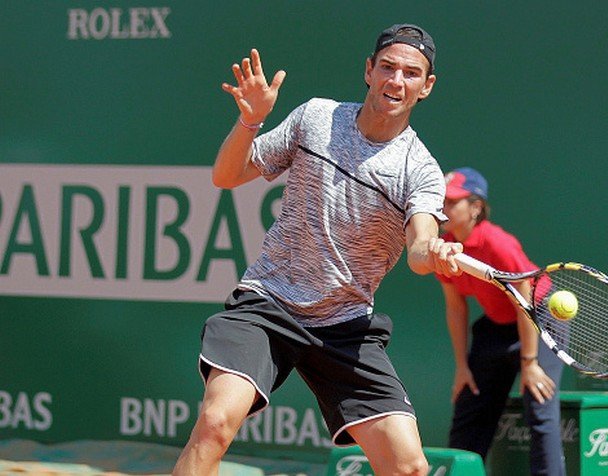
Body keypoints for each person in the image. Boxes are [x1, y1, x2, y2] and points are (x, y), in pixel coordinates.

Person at [173, 24, 464, 476]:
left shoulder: (421, 170)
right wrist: (250, 121)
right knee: (215, 422)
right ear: (369, 71)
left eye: (410, 73)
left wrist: (435, 252)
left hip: (345, 324)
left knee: (409, 467)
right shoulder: (316, 118)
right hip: (269, 303)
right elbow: (227, 176)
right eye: (387, 67)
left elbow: (420, 248)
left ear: (426, 86)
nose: (396, 80)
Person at [435, 167, 566, 475]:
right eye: (442, 201)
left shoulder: (497, 243)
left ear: (476, 207)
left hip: (539, 317)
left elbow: (524, 301)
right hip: (496, 326)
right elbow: (456, 308)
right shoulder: (446, 247)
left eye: (452, 202)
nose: (444, 208)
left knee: (540, 406)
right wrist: (462, 366)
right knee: (470, 400)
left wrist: (529, 363)